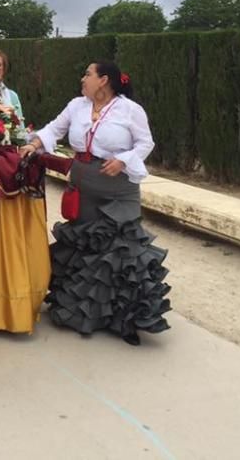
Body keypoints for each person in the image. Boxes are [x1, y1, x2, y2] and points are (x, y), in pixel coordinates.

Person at [19, 61, 171, 346]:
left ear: (104, 80)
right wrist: (34, 144)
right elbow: (54, 129)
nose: (83, 79)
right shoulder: (77, 105)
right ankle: (84, 313)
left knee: (123, 250)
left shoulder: (130, 110)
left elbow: (145, 143)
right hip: (83, 186)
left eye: (88, 74)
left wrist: (124, 160)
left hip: (118, 188)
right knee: (87, 248)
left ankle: (126, 319)